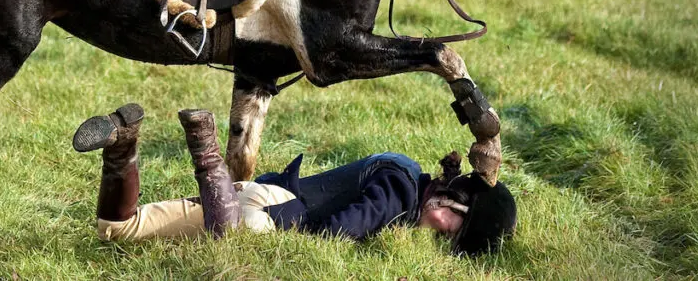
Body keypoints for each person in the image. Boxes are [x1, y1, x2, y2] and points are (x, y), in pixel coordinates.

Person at [72, 103, 517, 256]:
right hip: (267, 216)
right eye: (450, 235)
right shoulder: (401, 192)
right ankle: (206, 151)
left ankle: (123, 141)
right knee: (236, 239)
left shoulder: (403, 169)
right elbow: (340, 229)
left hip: (252, 194)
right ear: (453, 206)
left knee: (119, 230)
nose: (439, 238)